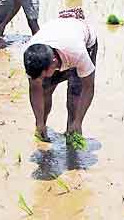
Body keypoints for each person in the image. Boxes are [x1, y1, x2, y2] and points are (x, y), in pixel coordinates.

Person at [22, 8, 97, 142]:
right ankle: (42, 129)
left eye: (44, 75)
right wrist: (39, 122)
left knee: (75, 95)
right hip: (59, 37)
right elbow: (35, 88)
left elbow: (88, 87)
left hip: (83, 42)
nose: (42, 79)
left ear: (53, 63)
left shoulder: (78, 53)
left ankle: (72, 132)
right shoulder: (31, 55)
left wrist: (79, 121)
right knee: (44, 89)